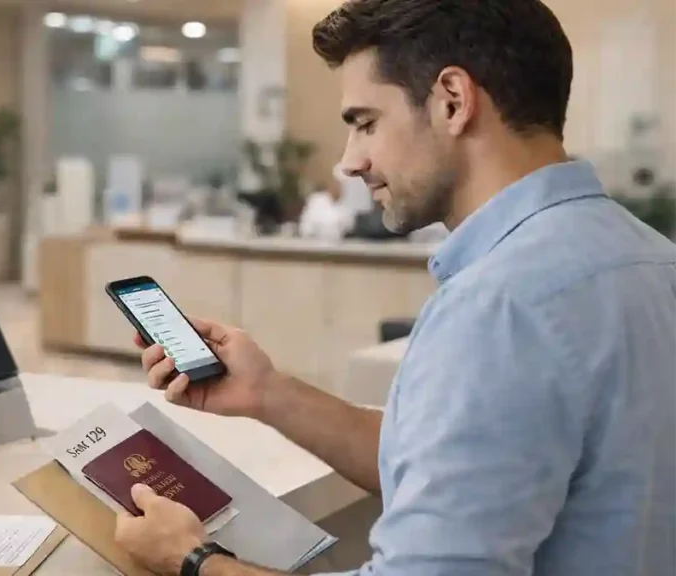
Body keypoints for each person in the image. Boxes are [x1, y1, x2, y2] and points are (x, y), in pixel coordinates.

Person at [112, 0, 676, 575]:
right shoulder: (653, 259)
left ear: (452, 101)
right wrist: (269, 394)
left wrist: (192, 560)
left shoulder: (497, 308)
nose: (350, 162)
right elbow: (469, 464)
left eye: (365, 123)